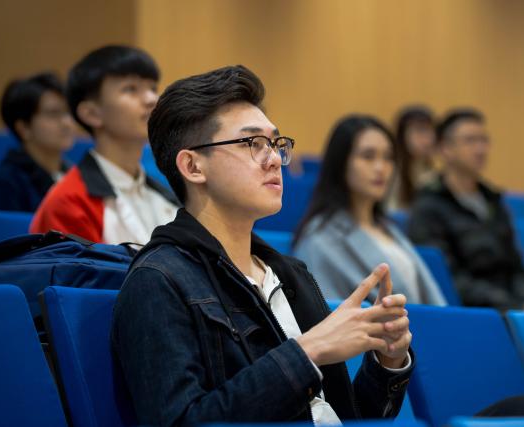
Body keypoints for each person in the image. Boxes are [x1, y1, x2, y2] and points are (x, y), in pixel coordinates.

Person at [111, 65, 414, 425]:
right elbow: (181, 421)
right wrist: (308, 351)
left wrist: (387, 360)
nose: (274, 159)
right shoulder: (159, 280)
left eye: (275, 143)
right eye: (252, 143)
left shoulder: (290, 273)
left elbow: (343, 416)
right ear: (192, 166)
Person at [30, 45, 178, 244]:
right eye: (131, 89)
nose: (151, 99)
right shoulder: (69, 202)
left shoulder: (167, 197)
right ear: (92, 114)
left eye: (153, 88)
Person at [293, 114, 447, 305]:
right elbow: (324, 317)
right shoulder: (319, 238)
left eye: (388, 157)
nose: (381, 167)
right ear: (341, 163)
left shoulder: (390, 229)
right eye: (368, 156)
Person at [407, 108, 524, 311]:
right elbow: (449, 279)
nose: (481, 149)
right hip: (477, 310)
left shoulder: (493, 200)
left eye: (484, 140)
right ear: (445, 149)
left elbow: (517, 266)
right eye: (470, 140)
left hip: (515, 306)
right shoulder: (429, 207)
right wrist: (511, 305)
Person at [0, 72, 74, 212]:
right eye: (53, 114)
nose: (67, 123)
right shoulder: (6, 185)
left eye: (68, 112)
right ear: (24, 128)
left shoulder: (75, 175)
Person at [388, 105, 437, 209]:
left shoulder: (433, 175)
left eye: (431, 131)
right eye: (420, 130)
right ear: (402, 136)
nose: (429, 138)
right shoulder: (390, 172)